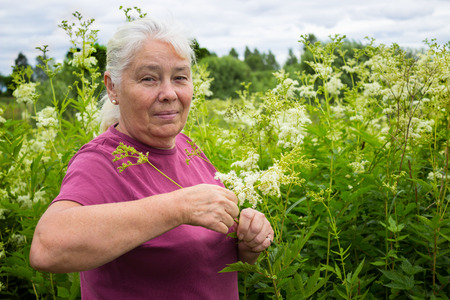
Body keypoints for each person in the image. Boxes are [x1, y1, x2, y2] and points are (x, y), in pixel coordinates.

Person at [30, 16, 274, 299]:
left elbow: (208, 259)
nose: (169, 93)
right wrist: (178, 207)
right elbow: (47, 248)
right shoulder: (102, 160)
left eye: (180, 77)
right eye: (149, 78)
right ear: (113, 88)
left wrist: (248, 242)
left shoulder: (187, 147)